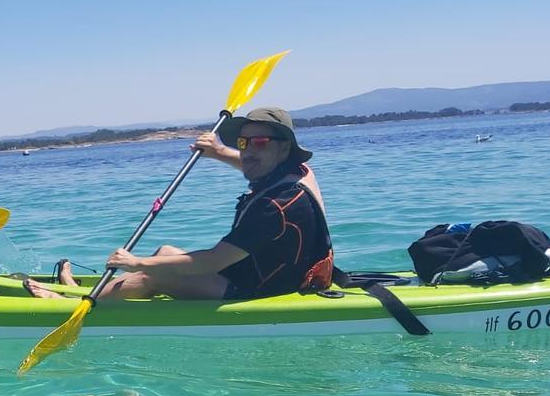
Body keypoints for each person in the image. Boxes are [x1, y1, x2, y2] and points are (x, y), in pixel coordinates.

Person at [25, 107, 333, 301]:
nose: (248, 151)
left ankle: (69, 304)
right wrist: (219, 151)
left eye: (260, 143)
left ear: (284, 149)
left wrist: (137, 264)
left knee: (153, 272)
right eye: (244, 143)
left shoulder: (275, 206)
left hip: (261, 291)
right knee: (166, 253)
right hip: (260, 273)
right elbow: (253, 165)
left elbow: (213, 261)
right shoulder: (297, 173)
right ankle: (96, 293)